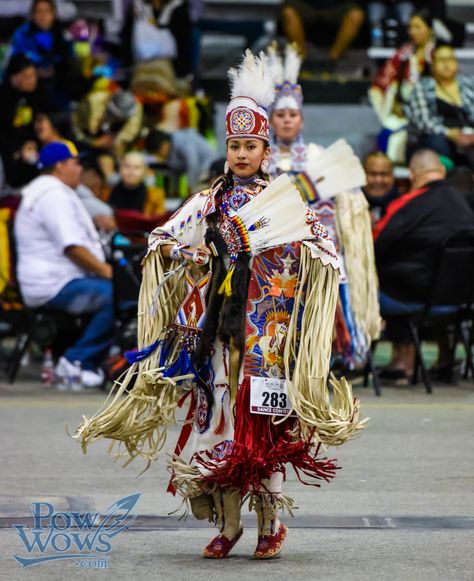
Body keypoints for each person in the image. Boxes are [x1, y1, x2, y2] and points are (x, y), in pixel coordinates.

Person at [77, 50, 364, 560]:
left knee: (265, 428)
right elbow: (161, 238)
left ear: (265, 149)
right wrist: (192, 252)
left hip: (267, 341)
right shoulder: (210, 200)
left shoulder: (285, 200)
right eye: (234, 145)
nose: (240, 154)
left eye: (250, 145)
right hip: (216, 339)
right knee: (222, 427)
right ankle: (230, 526)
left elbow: (326, 251)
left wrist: (292, 268)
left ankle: (270, 523)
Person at [267, 44, 380, 369]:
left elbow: (347, 200)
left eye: (292, 115)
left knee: (336, 272)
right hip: (273, 248)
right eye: (281, 115)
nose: (287, 121)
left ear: (301, 118)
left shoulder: (318, 155)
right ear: (272, 120)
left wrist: (337, 232)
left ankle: (342, 348)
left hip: (318, 247)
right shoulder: (260, 158)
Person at [14, 141, 115, 387]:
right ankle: (76, 362)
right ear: (60, 166)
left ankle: (85, 359)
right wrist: (107, 272)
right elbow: (72, 247)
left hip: (57, 281)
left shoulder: (50, 191)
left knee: (118, 290)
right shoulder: (52, 196)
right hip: (53, 286)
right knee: (117, 295)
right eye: (76, 162)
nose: (80, 168)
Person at [374, 149, 474, 380]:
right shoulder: (464, 205)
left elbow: (378, 244)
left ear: (412, 174)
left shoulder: (409, 203)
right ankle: (443, 357)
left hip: (413, 299)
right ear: (441, 171)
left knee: (371, 282)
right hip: (459, 301)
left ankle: (397, 361)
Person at [369, 10, 435, 162]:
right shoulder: (403, 55)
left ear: (429, 29)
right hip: (403, 113)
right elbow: (384, 82)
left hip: (431, 114)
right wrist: (394, 104)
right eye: (410, 27)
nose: (412, 32)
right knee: (387, 135)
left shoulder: (437, 55)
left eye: (418, 27)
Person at [404, 43, 474, 167]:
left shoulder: (469, 85)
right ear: (433, 65)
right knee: (438, 142)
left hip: (468, 137)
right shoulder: (422, 87)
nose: (446, 64)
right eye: (441, 60)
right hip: (435, 138)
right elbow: (423, 122)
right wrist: (450, 133)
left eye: (450, 59)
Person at [0, 55, 55, 186]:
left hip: (32, 145)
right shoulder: (3, 98)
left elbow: (42, 122)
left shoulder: (36, 95)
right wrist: (18, 149)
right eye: (29, 77)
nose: (34, 80)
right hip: (9, 150)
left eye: (35, 75)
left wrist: (34, 142)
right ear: (16, 77)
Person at [280, 0, 365, 69]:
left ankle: (332, 61)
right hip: (306, 4)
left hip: (338, 5)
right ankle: (302, 60)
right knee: (288, 12)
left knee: (356, 15)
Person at [72, 89, 144, 158]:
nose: (116, 117)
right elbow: (74, 129)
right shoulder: (90, 103)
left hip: (112, 141)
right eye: (114, 114)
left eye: (120, 117)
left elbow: (129, 134)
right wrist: (93, 143)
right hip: (87, 137)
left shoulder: (135, 109)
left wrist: (117, 144)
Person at [144, 128, 217, 192]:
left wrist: (191, 187)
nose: (159, 157)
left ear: (164, 145)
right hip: (199, 172)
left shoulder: (183, 140)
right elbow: (175, 170)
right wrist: (175, 190)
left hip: (208, 168)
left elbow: (193, 164)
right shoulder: (171, 149)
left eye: (158, 154)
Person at [109, 152, 166, 216]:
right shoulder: (107, 193)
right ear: (119, 169)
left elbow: (159, 221)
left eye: (137, 167)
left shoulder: (156, 195)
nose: (131, 171)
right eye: (127, 166)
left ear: (145, 172)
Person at [363, 151, 400, 225]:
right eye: (372, 174)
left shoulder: (403, 205)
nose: (378, 180)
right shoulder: (349, 204)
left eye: (384, 174)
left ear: (393, 176)